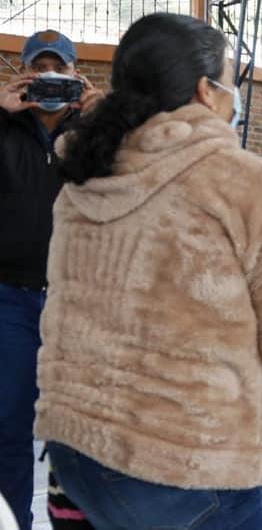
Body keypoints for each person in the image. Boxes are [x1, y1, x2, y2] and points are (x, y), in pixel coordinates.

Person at [34, 12, 262, 530]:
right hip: (189, 462)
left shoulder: (84, 180)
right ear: (207, 90)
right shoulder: (242, 183)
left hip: (77, 460)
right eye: (229, 81)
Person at [0, 29, 102, 530]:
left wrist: (106, 118)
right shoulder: (4, 126)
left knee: (79, 431)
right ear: (22, 76)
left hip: (77, 303)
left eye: (58, 70)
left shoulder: (95, 133)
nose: (49, 79)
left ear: (76, 75)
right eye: (38, 70)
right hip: (8, 300)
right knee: (6, 429)